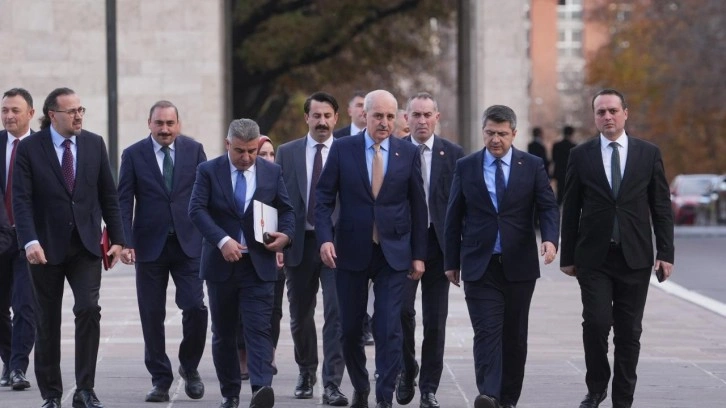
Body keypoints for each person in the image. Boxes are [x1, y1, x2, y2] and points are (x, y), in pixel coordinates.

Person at [560, 89, 674, 408]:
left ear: (626, 113)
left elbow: (661, 207)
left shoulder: (648, 154)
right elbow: (571, 207)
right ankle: (597, 387)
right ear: (594, 117)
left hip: (635, 257)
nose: (607, 117)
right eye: (601, 112)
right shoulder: (580, 155)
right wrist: (567, 256)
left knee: (629, 332)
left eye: (612, 110)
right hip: (593, 257)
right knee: (596, 323)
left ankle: (623, 398)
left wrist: (666, 253)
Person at [12, 87, 125, 408]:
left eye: (80, 110)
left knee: (88, 309)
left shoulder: (94, 144)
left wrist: (118, 239)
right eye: (71, 111)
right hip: (44, 248)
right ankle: (51, 394)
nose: (78, 116)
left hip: (86, 246)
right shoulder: (30, 148)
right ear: (53, 115)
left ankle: (85, 390)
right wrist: (29, 241)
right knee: (46, 320)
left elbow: (109, 195)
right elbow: (21, 199)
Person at [315, 89, 428, 408]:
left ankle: (384, 397)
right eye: (378, 116)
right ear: (365, 116)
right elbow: (323, 199)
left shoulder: (407, 153)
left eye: (390, 116)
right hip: (351, 250)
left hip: (393, 253)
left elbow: (419, 207)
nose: (384, 122)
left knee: (388, 326)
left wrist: (419, 255)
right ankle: (361, 386)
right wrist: (325, 238)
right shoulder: (343, 148)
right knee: (350, 329)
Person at [444, 105, 559, 408]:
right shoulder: (466, 166)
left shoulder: (531, 165)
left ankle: (507, 398)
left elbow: (547, 206)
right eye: (490, 133)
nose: (495, 139)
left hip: (519, 265)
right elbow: (453, 215)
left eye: (502, 134)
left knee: (514, 336)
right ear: (483, 132)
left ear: (514, 134)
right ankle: (489, 394)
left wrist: (550, 240)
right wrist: (451, 262)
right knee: (486, 331)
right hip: (479, 265)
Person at [189, 118, 294, 408]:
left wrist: (285, 236)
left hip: (258, 264)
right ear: (227, 145)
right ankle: (230, 393)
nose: (246, 158)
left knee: (259, 329)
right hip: (221, 265)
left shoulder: (272, 172)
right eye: (239, 151)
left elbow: (287, 211)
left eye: (251, 151)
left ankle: (261, 389)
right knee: (224, 332)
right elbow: (196, 210)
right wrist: (222, 241)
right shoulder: (208, 171)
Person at [117, 100, 208, 403]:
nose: (165, 129)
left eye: (170, 123)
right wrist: (124, 241)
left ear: (178, 124)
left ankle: (189, 366)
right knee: (151, 314)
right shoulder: (133, 154)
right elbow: (123, 200)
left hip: (189, 243)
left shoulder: (194, 150)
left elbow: (206, 194)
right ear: (149, 124)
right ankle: (160, 379)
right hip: (149, 246)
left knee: (195, 307)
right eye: (159, 123)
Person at [275, 92, 348, 405]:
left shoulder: (347, 151)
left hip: (337, 246)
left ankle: (332, 383)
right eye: (316, 116)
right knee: (300, 313)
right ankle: (306, 370)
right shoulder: (287, 152)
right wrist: (275, 240)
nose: (322, 122)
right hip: (299, 243)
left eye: (327, 116)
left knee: (337, 313)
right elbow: (275, 198)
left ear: (336, 118)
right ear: (306, 117)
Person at [396, 92, 463, 408]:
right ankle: (407, 369)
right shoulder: (394, 152)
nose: (421, 121)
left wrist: (458, 254)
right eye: (416, 115)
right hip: (403, 246)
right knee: (400, 311)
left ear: (437, 117)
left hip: (439, 247)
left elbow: (462, 206)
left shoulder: (454, 154)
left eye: (427, 115)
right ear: (406, 119)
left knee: (436, 320)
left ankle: (429, 388)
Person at [237, 135, 285, 380]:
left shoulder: (276, 177)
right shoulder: (244, 176)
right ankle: (242, 357)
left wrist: (282, 245)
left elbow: (286, 212)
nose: (267, 158)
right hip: (242, 252)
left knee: (273, 308)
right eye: (262, 153)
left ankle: (269, 356)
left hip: (271, 252)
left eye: (270, 153)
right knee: (241, 311)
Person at [0, 88, 36, 391]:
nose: (9, 116)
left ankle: (18, 367)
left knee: (25, 304)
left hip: (31, 239)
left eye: (15, 110)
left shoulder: (42, 147)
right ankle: (10, 360)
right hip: (0, 236)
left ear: (31, 114)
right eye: (4, 110)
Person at [551, 125, 576, 205]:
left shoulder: (556, 145)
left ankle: (558, 208)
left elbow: (554, 158)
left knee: (560, 192)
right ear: (572, 133)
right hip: (570, 172)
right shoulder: (574, 146)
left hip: (559, 172)